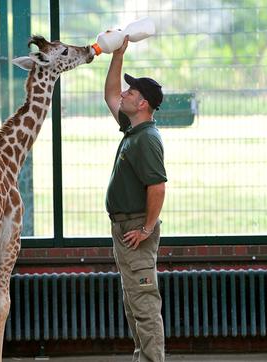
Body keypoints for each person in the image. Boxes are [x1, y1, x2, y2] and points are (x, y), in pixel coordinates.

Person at [103, 36, 167, 362]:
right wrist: (118, 55)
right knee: (133, 302)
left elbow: (157, 187)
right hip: (123, 229)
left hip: (134, 230)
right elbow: (111, 94)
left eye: (132, 93)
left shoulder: (147, 140)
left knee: (144, 301)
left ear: (143, 104)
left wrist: (145, 228)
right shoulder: (132, 128)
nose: (125, 95)